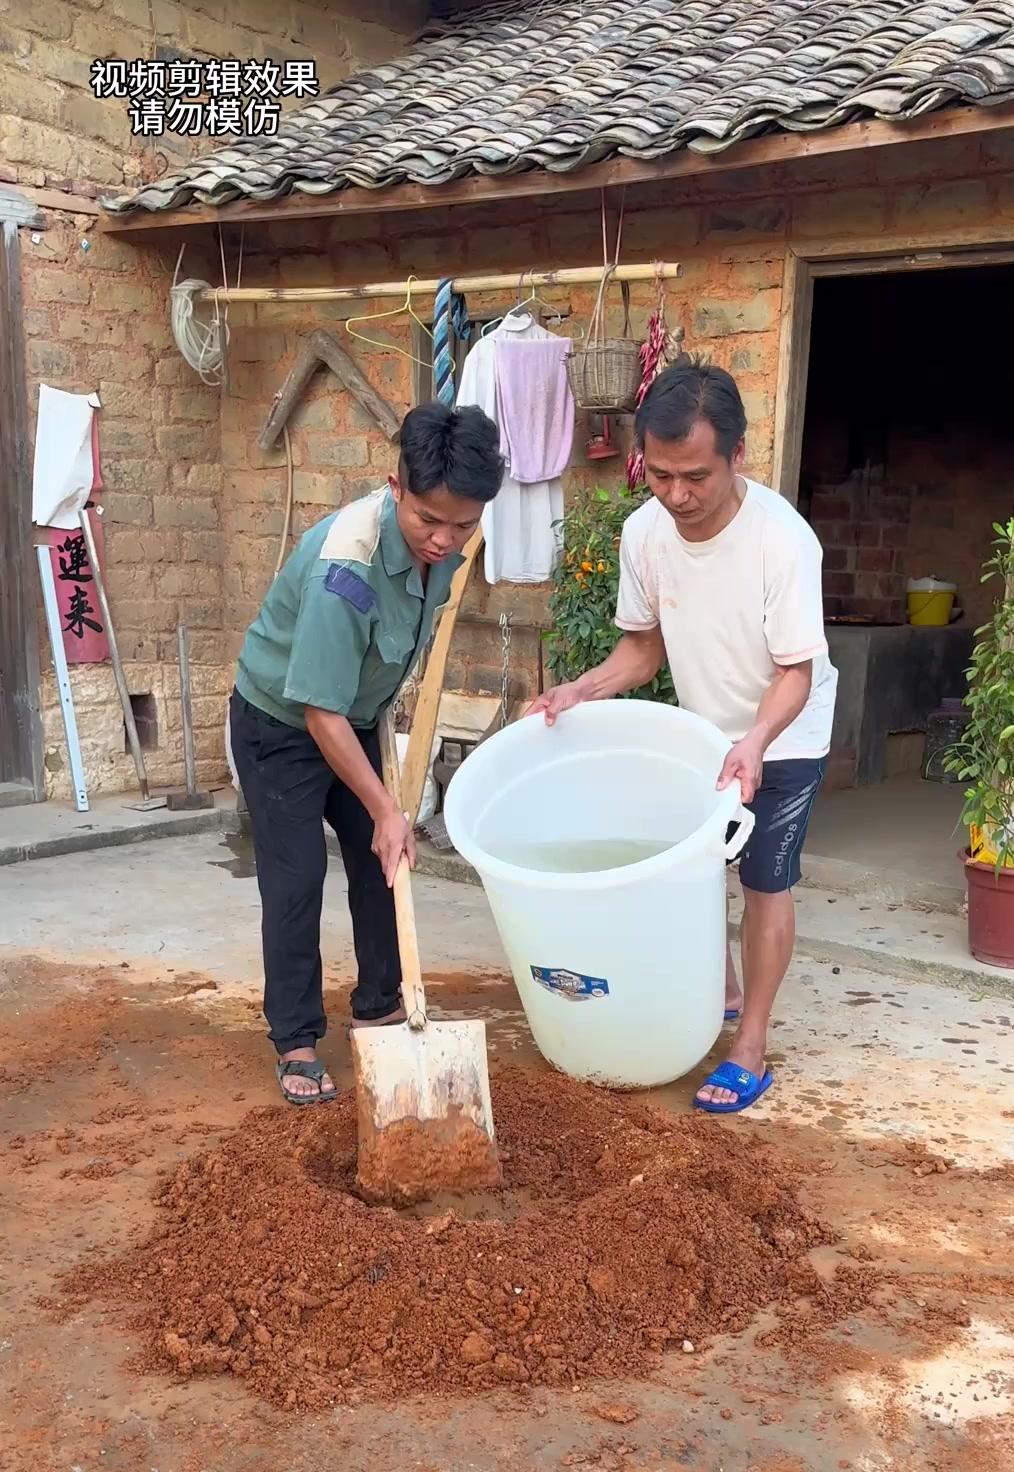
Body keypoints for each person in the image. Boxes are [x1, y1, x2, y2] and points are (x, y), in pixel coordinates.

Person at [529, 360, 837, 1115]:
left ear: (737, 456)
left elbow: (796, 671)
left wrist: (758, 739)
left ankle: (751, 1046)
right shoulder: (646, 533)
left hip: (785, 730)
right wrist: (579, 689)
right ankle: (721, 990)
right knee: (698, 869)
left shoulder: (783, 542)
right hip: (705, 732)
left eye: (694, 475)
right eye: (661, 475)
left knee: (764, 881)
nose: (677, 495)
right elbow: (643, 649)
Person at [230, 402, 504, 1104]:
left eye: (463, 525)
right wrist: (385, 806)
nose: (444, 539)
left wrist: (384, 814)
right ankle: (295, 1039)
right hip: (280, 723)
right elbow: (318, 710)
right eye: (428, 520)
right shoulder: (344, 569)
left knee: (386, 859)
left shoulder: (446, 542)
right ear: (395, 486)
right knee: (296, 879)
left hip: (353, 716)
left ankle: (382, 1003)